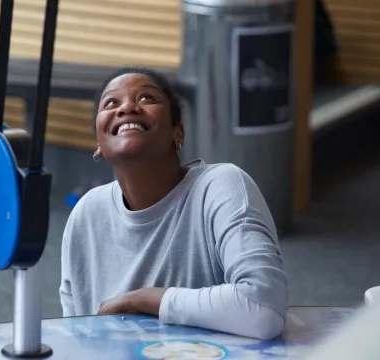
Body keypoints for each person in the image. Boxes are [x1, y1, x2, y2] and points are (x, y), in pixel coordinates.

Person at [59, 67, 288, 340]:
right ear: (99, 142)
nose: (127, 107)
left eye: (146, 98)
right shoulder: (86, 214)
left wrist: (146, 300)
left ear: (177, 133)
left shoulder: (221, 186)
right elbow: (75, 336)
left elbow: (263, 306)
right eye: (111, 103)